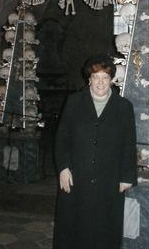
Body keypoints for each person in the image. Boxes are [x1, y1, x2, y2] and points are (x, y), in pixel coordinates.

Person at [53, 54, 137, 249]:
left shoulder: (124, 107)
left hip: (110, 178)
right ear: (88, 79)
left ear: (111, 80)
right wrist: (63, 167)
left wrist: (127, 176)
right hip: (76, 176)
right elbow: (62, 138)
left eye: (105, 77)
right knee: (74, 226)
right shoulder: (74, 101)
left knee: (105, 227)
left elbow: (128, 143)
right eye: (95, 77)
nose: (100, 82)